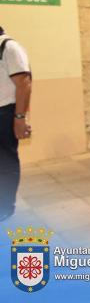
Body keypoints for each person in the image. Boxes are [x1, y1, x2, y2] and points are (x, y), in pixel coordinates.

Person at [0, 26, 32, 221]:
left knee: (6, 162)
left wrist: (19, 118)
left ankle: (5, 206)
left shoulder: (9, 47)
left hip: (4, 113)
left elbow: (24, 83)